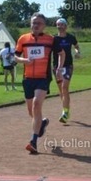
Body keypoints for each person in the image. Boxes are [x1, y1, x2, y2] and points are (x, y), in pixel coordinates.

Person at [15, 12, 65, 155]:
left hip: (43, 78)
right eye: (34, 23)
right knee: (31, 112)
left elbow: (61, 53)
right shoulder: (23, 39)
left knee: (37, 104)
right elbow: (15, 56)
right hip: (27, 78)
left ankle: (33, 142)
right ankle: (42, 123)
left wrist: (59, 68)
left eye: (39, 23)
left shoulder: (50, 39)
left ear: (44, 25)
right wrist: (25, 61)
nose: (36, 25)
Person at [53, 18, 81, 124]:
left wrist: (77, 52)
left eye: (61, 24)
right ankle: (66, 109)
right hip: (56, 67)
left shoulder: (70, 37)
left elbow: (76, 46)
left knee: (65, 88)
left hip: (68, 65)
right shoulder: (54, 38)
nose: (59, 26)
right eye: (58, 25)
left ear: (65, 26)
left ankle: (65, 113)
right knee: (61, 91)